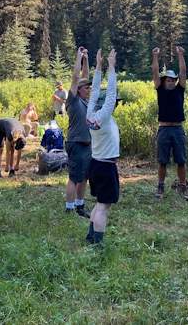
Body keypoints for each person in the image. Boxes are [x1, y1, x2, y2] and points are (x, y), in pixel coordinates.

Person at [85, 49, 120, 245]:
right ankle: (97, 244)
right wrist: (112, 67)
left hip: (96, 164)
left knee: (99, 204)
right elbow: (110, 95)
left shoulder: (91, 113)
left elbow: (95, 92)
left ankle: (91, 237)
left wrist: (98, 66)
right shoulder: (103, 116)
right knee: (103, 207)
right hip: (106, 166)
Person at [152, 46, 188, 199]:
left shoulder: (180, 89)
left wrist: (180, 55)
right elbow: (154, 72)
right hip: (164, 129)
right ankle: (160, 187)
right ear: (164, 80)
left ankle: (182, 186)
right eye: (168, 79)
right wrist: (155, 56)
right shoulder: (159, 89)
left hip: (178, 129)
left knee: (181, 160)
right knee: (162, 161)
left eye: (173, 80)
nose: (171, 82)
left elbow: (183, 72)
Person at [64, 46, 92, 218]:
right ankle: (69, 208)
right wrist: (78, 57)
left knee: (84, 178)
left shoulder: (85, 101)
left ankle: (80, 206)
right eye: (86, 88)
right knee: (74, 178)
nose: (89, 90)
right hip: (76, 143)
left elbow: (85, 77)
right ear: (79, 90)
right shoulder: (73, 100)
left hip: (87, 144)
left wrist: (86, 59)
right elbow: (76, 77)